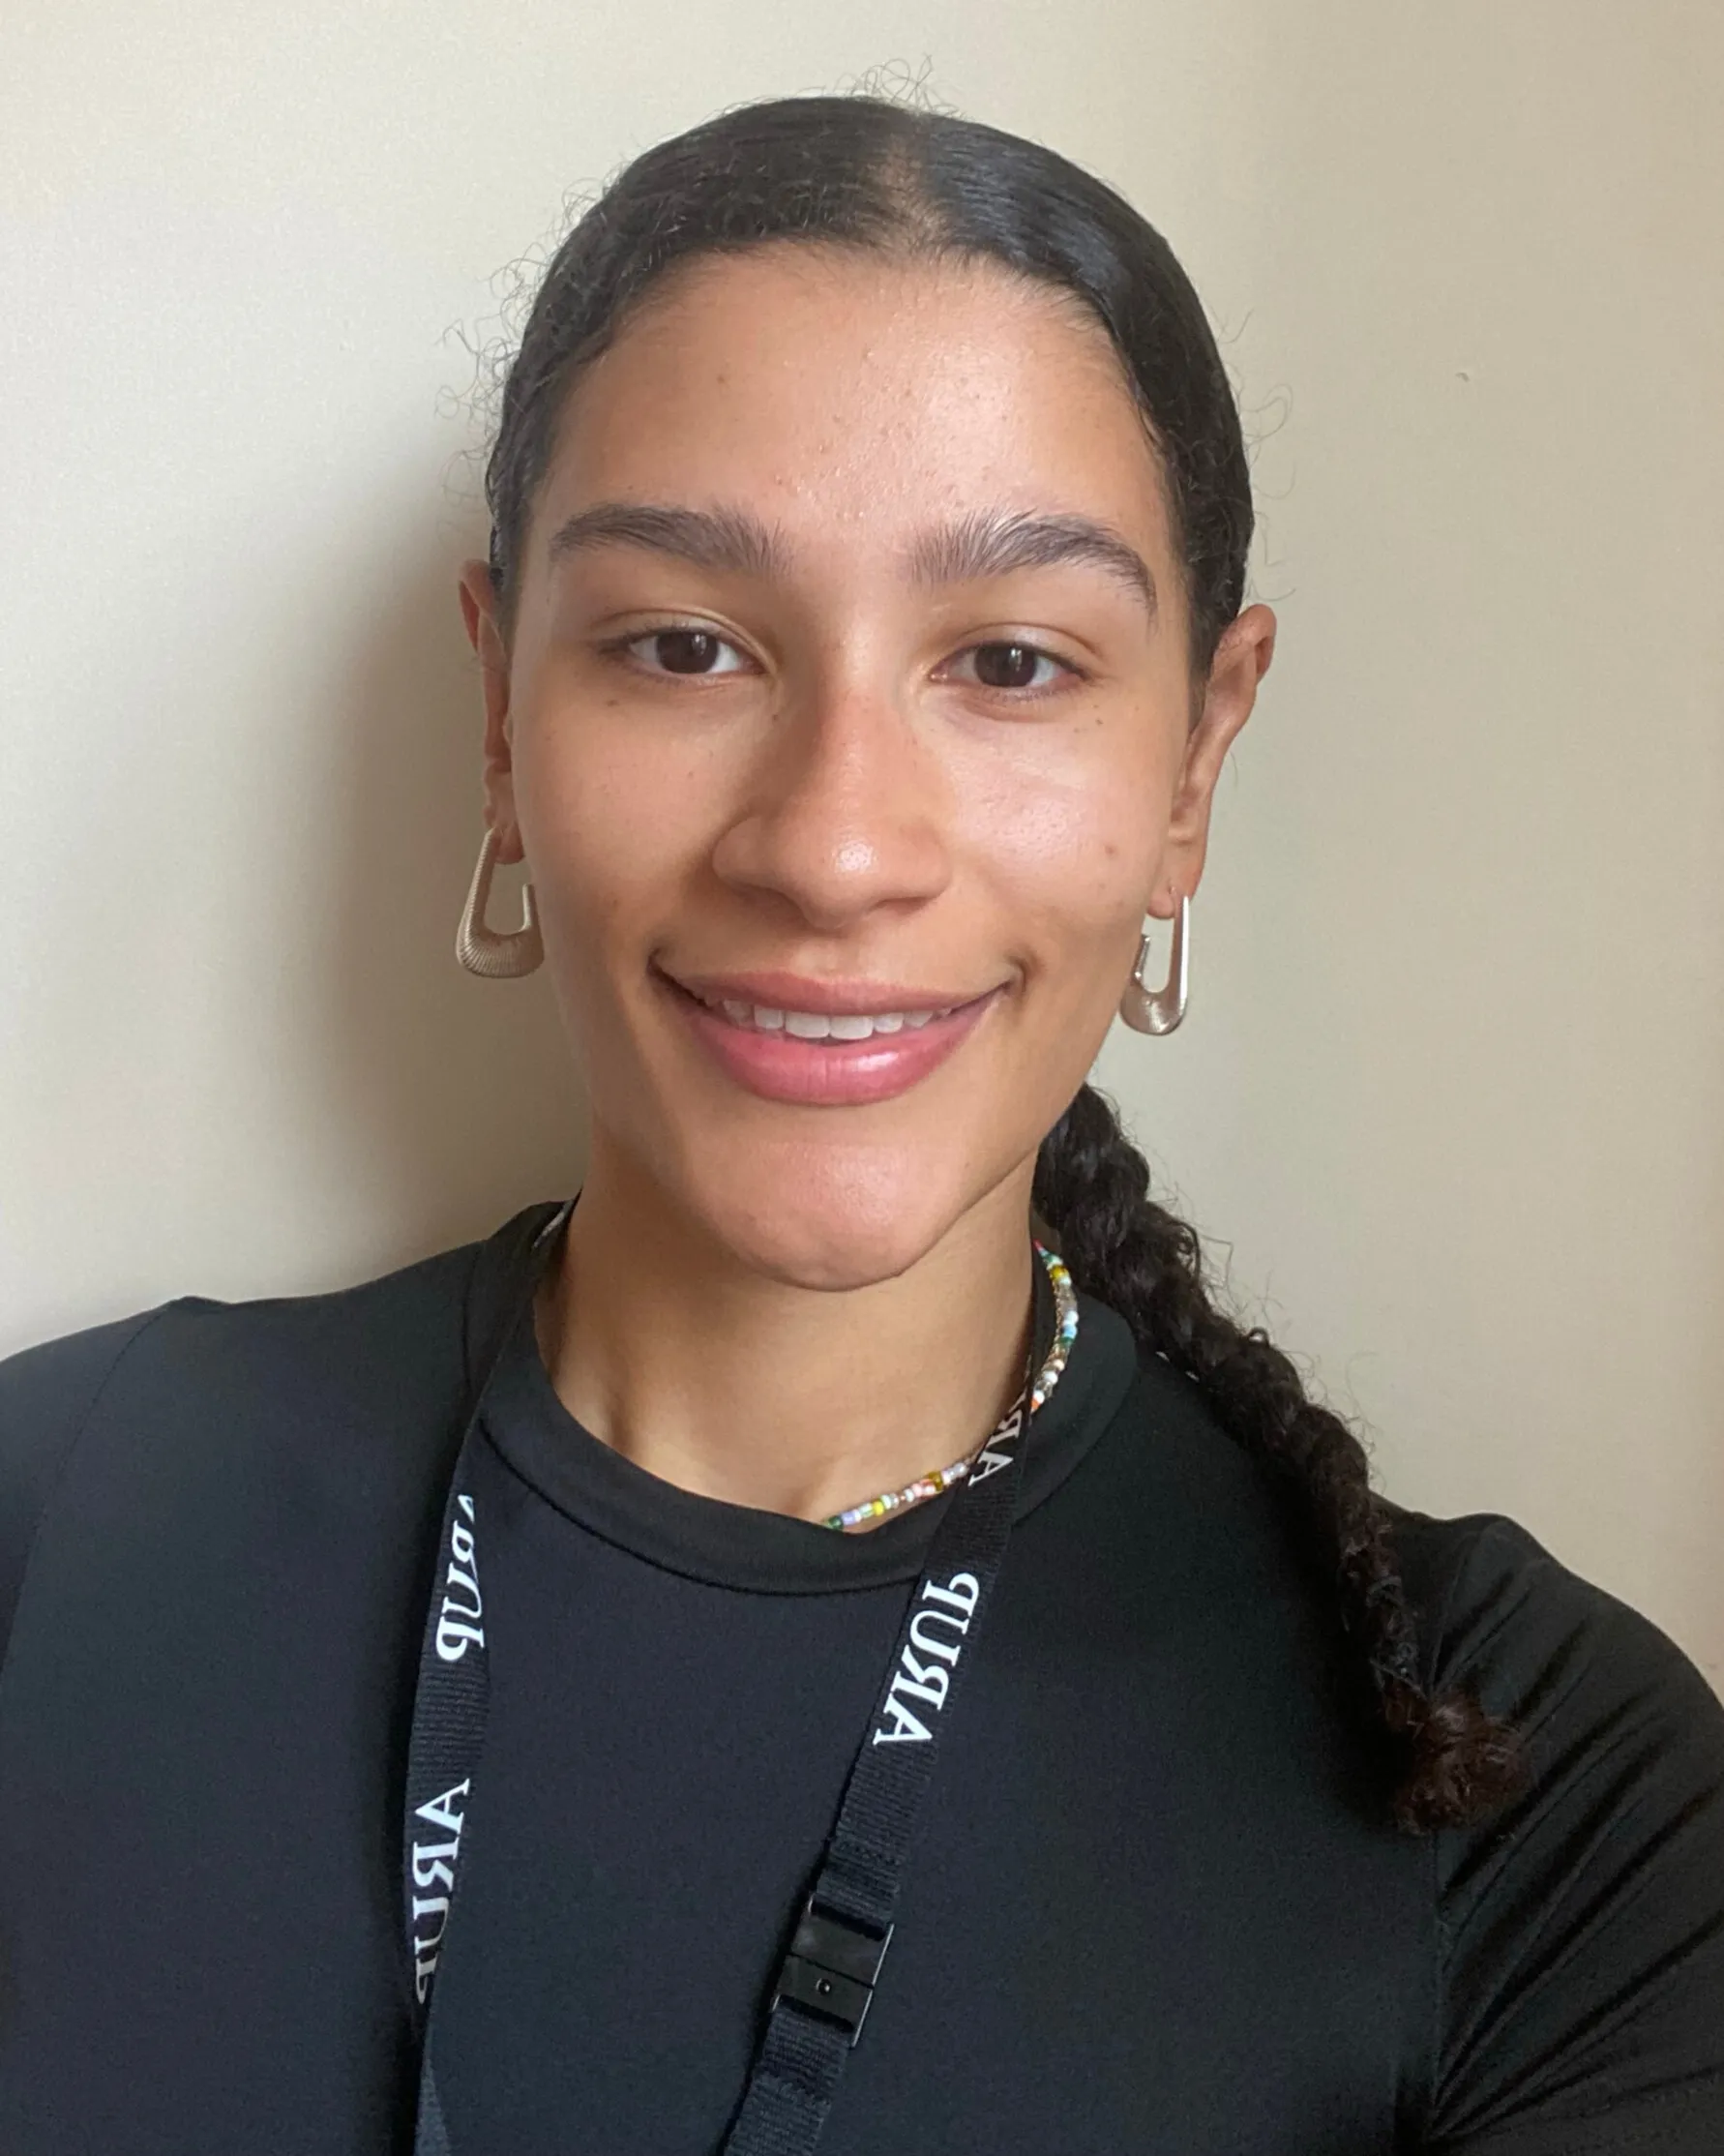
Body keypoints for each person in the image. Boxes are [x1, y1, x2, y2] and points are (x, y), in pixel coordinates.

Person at [2, 90, 1720, 2156]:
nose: (831, 845)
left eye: (1008, 660)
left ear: (1194, 761)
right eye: (683, 643)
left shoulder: (1540, 1785)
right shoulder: (51, 1525)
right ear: (499, 709)